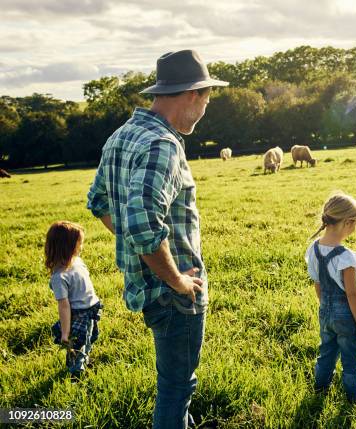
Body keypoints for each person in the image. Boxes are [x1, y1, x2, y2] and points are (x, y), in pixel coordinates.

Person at [86, 49, 228, 428]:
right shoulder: (162, 145)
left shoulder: (123, 135)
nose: (205, 109)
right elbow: (143, 223)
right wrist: (177, 279)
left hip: (145, 286)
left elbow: (98, 200)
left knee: (173, 379)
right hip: (173, 294)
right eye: (208, 99)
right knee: (177, 385)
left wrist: (137, 245)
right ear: (193, 94)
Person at [304, 192, 356, 404]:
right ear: (348, 223)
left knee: (326, 353)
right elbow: (352, 293)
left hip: (325, 311)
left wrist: (325, 307)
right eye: (355, 223)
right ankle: (353, 398)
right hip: (346, 316)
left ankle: (320, 388)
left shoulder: (313, 249)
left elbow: (317, 283)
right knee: (351, 359)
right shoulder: (346, 257)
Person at [45, 221, 102, 378]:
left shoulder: (76, 261)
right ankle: (76, 374)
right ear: (67, 246)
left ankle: (85, 359)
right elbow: (64, 306)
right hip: (77, 313)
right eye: (79, 243)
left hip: (92, 309)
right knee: (77, 344)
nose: (81, 247)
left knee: (90, 338)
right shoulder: (59, 277)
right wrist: (65, 332)